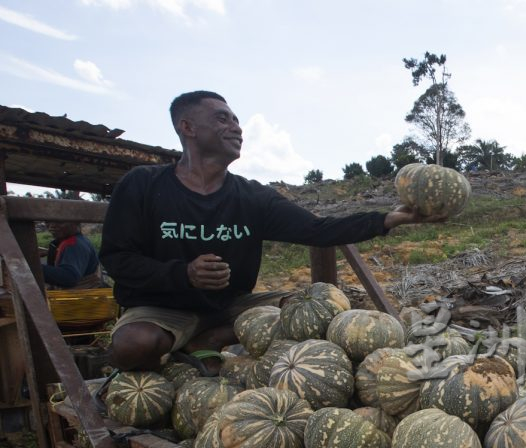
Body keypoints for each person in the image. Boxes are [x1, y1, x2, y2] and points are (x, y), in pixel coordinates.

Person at [100, 90, 443, 372]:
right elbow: (117, 259)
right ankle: (178, 355)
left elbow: (317, 229)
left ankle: (209, 340)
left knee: (316, 309)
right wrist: (184, 273)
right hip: (163, 309)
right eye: (222, 118)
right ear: (187, 127)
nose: (236, 128)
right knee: (134, 345)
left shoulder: (252, 196)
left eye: (236, 120)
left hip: (230, 306)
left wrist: (388, 219)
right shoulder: (143, 185)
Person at [42, 221, 102, 289]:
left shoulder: (73, 244)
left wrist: (34, 267)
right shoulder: (78, 240)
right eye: (47, 222)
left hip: (80, 295)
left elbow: (70, 277)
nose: (52, 226)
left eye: (59, 222)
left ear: (76, 222)